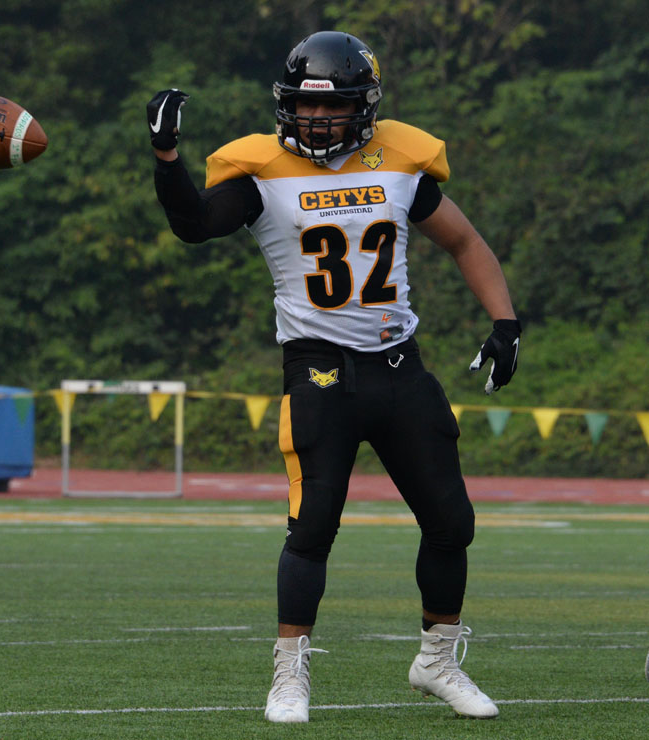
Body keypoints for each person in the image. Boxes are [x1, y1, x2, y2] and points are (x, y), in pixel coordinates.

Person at [148, 31, 520, 722]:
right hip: (318, 369)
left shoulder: (400, 161)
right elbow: (194, 223)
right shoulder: (261, 170)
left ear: (365, 106)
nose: (316, 118)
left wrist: (505, 322)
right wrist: (167, 156)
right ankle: (289, 675)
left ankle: (436, 662)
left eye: (332, 106)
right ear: (286, 104)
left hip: (400, 366)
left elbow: (464, 240)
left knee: (451, 522)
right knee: (312, 525)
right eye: (306, 105)